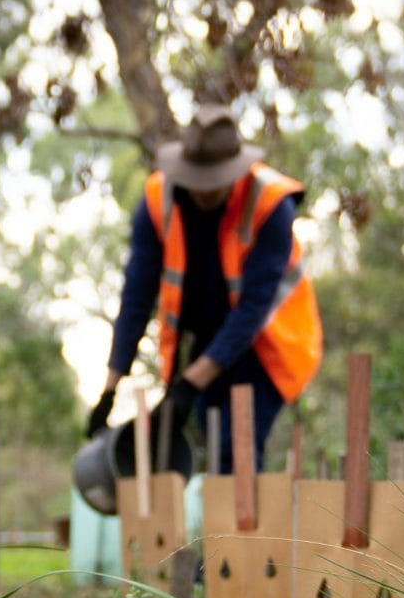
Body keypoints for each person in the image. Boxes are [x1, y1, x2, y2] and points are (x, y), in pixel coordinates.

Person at [87, 105, 323, 474]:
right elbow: (136, 297)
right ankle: (215, 531)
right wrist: (110, 389)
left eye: (215, 180)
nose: (205, 190)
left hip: (269, 343)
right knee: (212, 445)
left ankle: (243, 531)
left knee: (236, 446)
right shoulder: (156, 201)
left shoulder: (271, 204)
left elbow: (253, 310)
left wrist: (187, 386)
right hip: (206, 342)